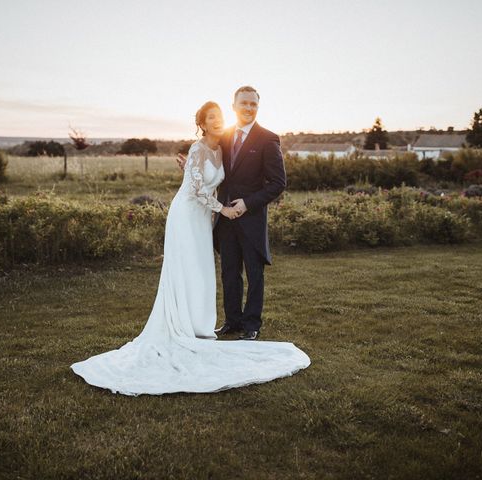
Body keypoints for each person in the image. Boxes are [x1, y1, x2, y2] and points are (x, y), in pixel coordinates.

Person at [70, 101, 309, 396]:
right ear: (202, 123)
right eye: (212, 117)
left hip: (205, 218)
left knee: (203, 271)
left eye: (220, 116)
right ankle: (185, 325)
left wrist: (204, 185)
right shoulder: (198, 148)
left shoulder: (224, 146)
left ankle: (205, 325)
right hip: (187, 215)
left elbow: (226, 179)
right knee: (189, 268)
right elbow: (196, 189)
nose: (218, 120)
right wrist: (221, 208)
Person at [177, 86, 285, 341]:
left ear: (257, 107)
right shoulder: (223, 137)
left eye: (253, 104)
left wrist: (247, 203)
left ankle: (251, 325)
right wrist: (189, 168)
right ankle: (233, 321)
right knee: (229, 272)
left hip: (251, 218)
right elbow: (206, 166)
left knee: (254, 273)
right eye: (244, 103)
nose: (248, 108)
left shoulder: (268, 139)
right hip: (224, 220)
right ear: (234, 106)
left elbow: (278, 183)